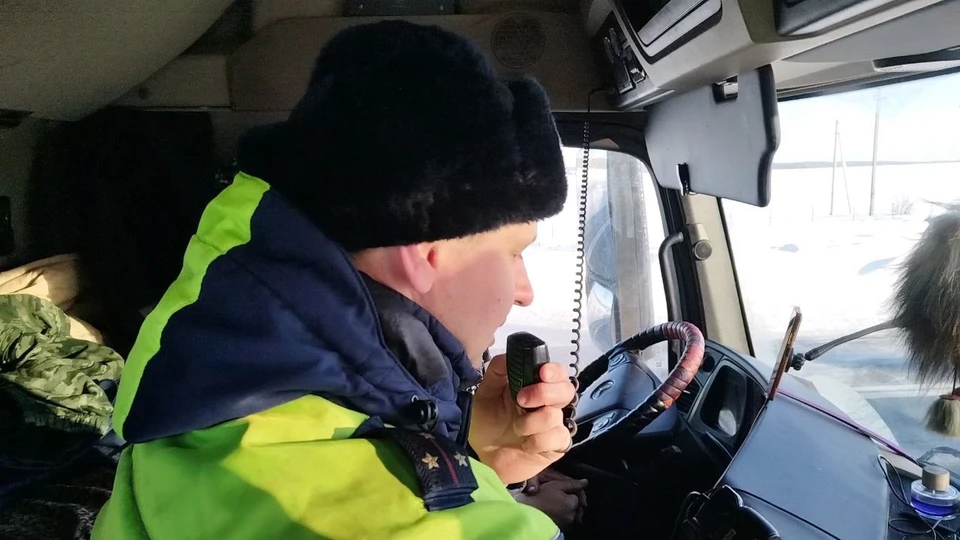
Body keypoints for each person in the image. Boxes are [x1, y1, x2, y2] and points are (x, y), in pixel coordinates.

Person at [92, 20, 581, 539]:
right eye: (513, 253)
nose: (524, 291)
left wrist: (471, 454)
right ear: (424, 254)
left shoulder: (199, 404)